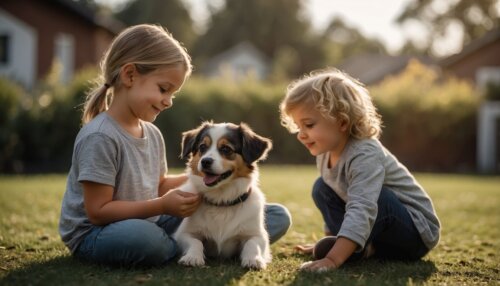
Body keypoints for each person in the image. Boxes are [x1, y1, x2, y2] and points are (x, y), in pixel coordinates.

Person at [59, 24, 291, 267]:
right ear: (129, 75)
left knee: (274, 215)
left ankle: (198, 244)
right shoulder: (100, 136)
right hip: (97, 234)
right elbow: (98, 211)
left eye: (173, 94)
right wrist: (161, 206)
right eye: (163, 89)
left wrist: (204, 175)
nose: (168, 101)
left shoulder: (152, 132)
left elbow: (158, 185)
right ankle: (190, 245)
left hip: (151, 219)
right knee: (147, 241)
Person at [279, 68, 440, 272]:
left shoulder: (364, 153)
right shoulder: (324, 152)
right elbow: (336, 195)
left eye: (308, 125)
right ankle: (360, 248)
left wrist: (332, 259)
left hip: (414, 235)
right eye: (298, 126)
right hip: (379, 235)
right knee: (322, 187)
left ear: (342, 122)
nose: (301, 135)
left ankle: (351, 249)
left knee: (377, 198)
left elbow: (363, 207)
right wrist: (329, 244)